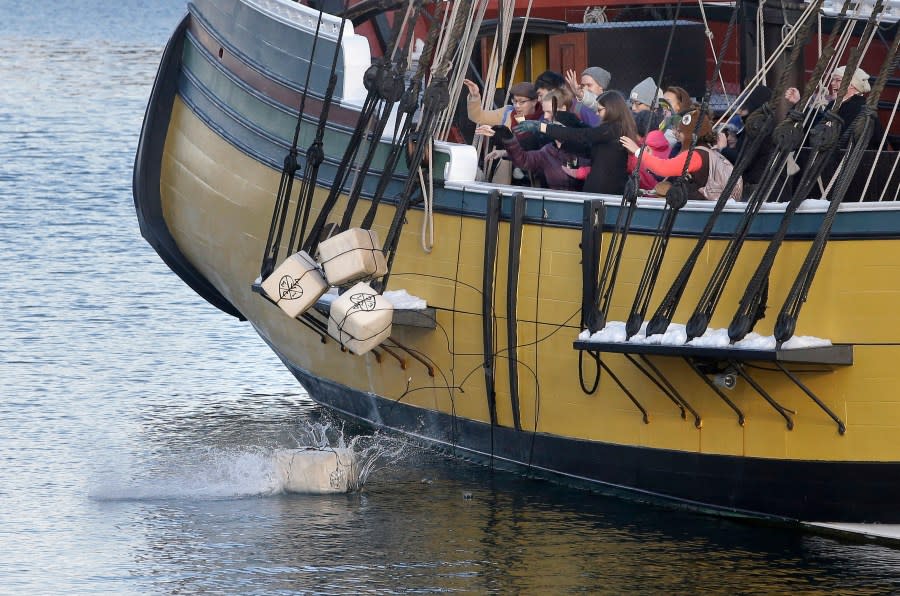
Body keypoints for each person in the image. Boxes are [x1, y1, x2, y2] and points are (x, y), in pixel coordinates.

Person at [515, 91, 639, 195]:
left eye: (599, 110)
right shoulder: (613, 130)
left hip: (605, 192)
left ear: (612, 109)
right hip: (601, 191)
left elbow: (582, 135)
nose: (597, 113)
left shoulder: (613, 129)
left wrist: (541, 127)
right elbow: (590, 152)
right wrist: (564, 145)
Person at [620, 108, 743, 201]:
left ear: (691, 134)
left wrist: (637, 151)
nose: (677, 134)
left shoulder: (695, 156)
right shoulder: (706, 151)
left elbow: (664, 168)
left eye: (681, 131)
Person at [489, 88, 589, 191]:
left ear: (563, 109)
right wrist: (508, 138)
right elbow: (524, 157)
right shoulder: (548, 148)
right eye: (544, 111)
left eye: (549, 112)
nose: (545, 116)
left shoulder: (584, 138)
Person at [463, 79, 543, 184]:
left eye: (522, 102)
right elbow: (478, 116)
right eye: (515, 101)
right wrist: (475, 96)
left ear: (534, 101)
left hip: (535, 177)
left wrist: (496, 135)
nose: (517, 106)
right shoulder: (507, 113)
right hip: (507, 175)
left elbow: (533, 144)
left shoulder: (544, 117)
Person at [784, 66, 883, 149]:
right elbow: (819, 122)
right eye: (833, 80)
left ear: (853, 85)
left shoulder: (859, 108)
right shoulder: (835, 104)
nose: (832, 83)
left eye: (838, 80)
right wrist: (799, 103)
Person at [534, 70, 601, 127]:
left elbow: (597, 135)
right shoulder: (544, 116)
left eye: (540, 95)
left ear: (553, 91)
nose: (538, 99)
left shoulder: (583, 110)